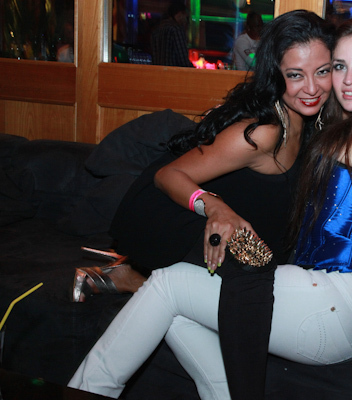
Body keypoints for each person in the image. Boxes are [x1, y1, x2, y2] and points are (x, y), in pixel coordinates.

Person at [69, 16, 352, 400]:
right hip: (337, 305)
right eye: (340, 66)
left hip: (340, 300)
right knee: (178, 307)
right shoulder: (330, 127)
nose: (347, 80)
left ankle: (85, 391)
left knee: (169, 284)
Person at [70, 9, 334, 400]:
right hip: (165, 210)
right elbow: (167, 176)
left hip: (219, 216)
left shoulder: (315, 125)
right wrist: (215, 207)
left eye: (322, 71)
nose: (311, 87)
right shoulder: (262, 133)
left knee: (262, 261)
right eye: (295, 75)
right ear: (276, 75)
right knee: (253, 260)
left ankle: (134, 277)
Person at [151, 1, 194, 67]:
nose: (185, 20)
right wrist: (194, 70)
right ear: (180, 14)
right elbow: (183, 59)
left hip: (158, 70)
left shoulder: (157, 29)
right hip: (173, 71)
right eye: (186, 16)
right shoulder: (176, 30)